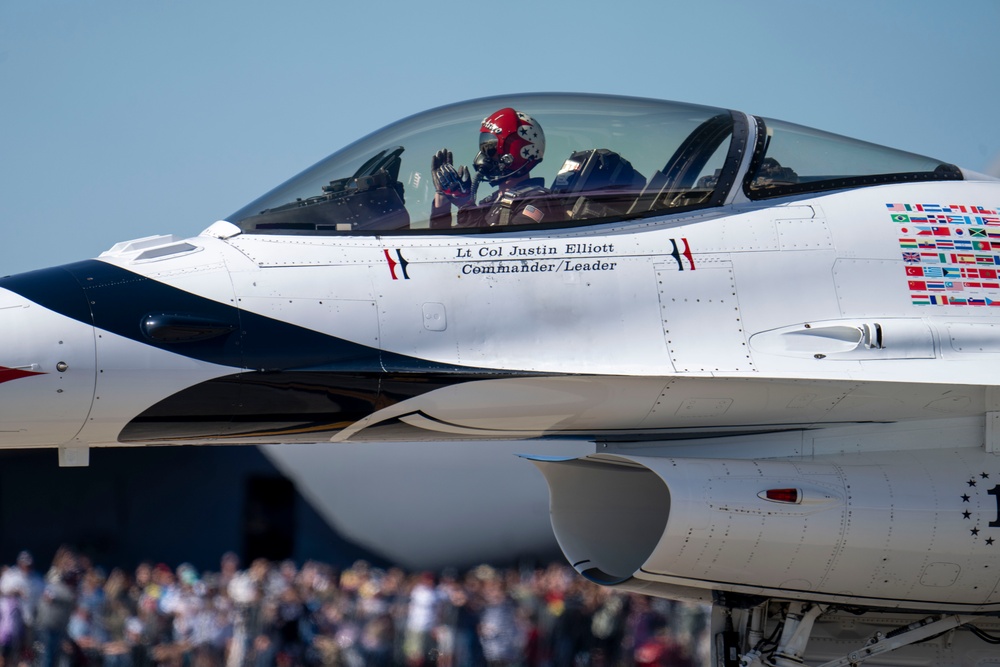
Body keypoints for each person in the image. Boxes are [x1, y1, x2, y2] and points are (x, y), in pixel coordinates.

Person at [430, 107, 551, 229]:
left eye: (491, 148)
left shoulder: (537, 201)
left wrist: (466, 205)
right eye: (483, 147)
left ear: (515, 152)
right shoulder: (490, 203)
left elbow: (501, 245)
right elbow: (449, 243)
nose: (483, 156)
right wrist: (442, 198)